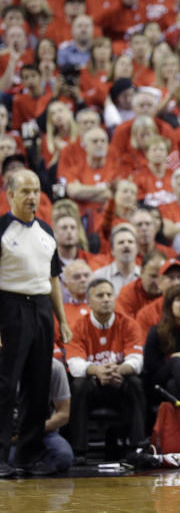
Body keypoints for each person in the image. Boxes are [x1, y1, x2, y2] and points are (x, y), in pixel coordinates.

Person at [0, 169, 72, 478]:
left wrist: (63, 322)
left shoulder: (46, 230)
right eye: (26, 191)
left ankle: (27, 457)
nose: (32, 197)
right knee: (5, 386)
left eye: (36, 191)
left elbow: (53, 279)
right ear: (11, 194)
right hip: (9, 307)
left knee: (38, 384)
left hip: (42, 310)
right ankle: (1, 457)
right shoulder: (2, 229)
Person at [65, 278, 147, 464]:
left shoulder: (128, 324)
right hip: (94, 385)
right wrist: (97, 370)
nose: (106, 299)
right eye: (100, 295)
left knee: (135, 382)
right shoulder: (78, 326)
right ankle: (79, 451)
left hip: (119, 382)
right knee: (78, 384)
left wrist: (120, 369)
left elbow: (136, 360)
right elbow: (74, 364)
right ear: (90, 301)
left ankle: (137, 447)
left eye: (109, 295)